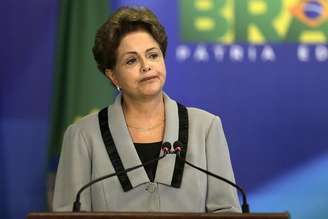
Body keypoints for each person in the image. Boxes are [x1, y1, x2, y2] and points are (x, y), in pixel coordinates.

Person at [53, 6, 241, 213]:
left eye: (152, 55)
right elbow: (69, 215)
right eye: (131, 60)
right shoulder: (82, 135)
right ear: (112, 75)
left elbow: (226, 211)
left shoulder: (205, 128)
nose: (146, 66)